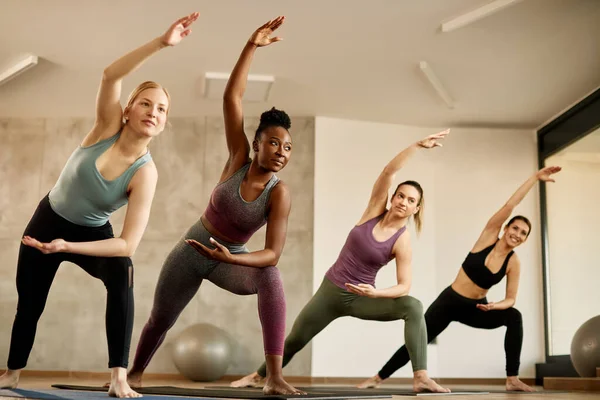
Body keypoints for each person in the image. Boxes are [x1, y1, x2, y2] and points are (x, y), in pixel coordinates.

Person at [0, 12, 200, 398]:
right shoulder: (106, 127)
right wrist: (162, 42)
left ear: (163, 124)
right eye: (145, 103)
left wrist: (68, 247)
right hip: (47, 219)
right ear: (128, 110)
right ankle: (12, 372)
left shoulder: (146, 173)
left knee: (123, 273)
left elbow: (127, 244)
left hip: (93, 234)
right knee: (30, 302)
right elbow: (110, 75)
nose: (153, 112)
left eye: (161, 109)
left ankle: (119, 377)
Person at [126, 16, 303, 396]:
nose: (281, 152)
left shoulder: (279, 193)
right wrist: (251, 45)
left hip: (230, 259)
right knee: (160, 318)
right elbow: (231, 98)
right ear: (256, 144)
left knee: (272, 278)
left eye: (287, 147)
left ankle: (273, 377)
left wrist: (232, 258)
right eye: (273, 143)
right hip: (192, 249)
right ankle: (135, 373)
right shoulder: (238, 158)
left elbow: (272, 254)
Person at [232, 130, 451, 394]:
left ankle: (421, 376)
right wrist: (416, 146)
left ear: (416, 208)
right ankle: (258, 376)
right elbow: (387, 172)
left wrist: (376, 293)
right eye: (401, 196)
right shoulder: (373, 211)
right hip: (331, 290)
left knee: (413, 306)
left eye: (411, 200)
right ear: (392, 198)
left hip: (362, 297)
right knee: (295, 339)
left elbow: (404, 286)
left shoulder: (402, 242)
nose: (403, 202)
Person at [358, 165, 562, 392]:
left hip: (477, 308)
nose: (517, 234)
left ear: (524, 240)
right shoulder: (488, 237)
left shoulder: (514, 263)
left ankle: (512, 379)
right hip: (450, 302)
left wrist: (496, 306)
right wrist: (535, 178)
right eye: (515, 228)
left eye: (523, 233)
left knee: (514, 316)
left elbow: (511, 299)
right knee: (418, 338)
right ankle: (378, 377)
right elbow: (510, 205)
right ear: (505, 228)